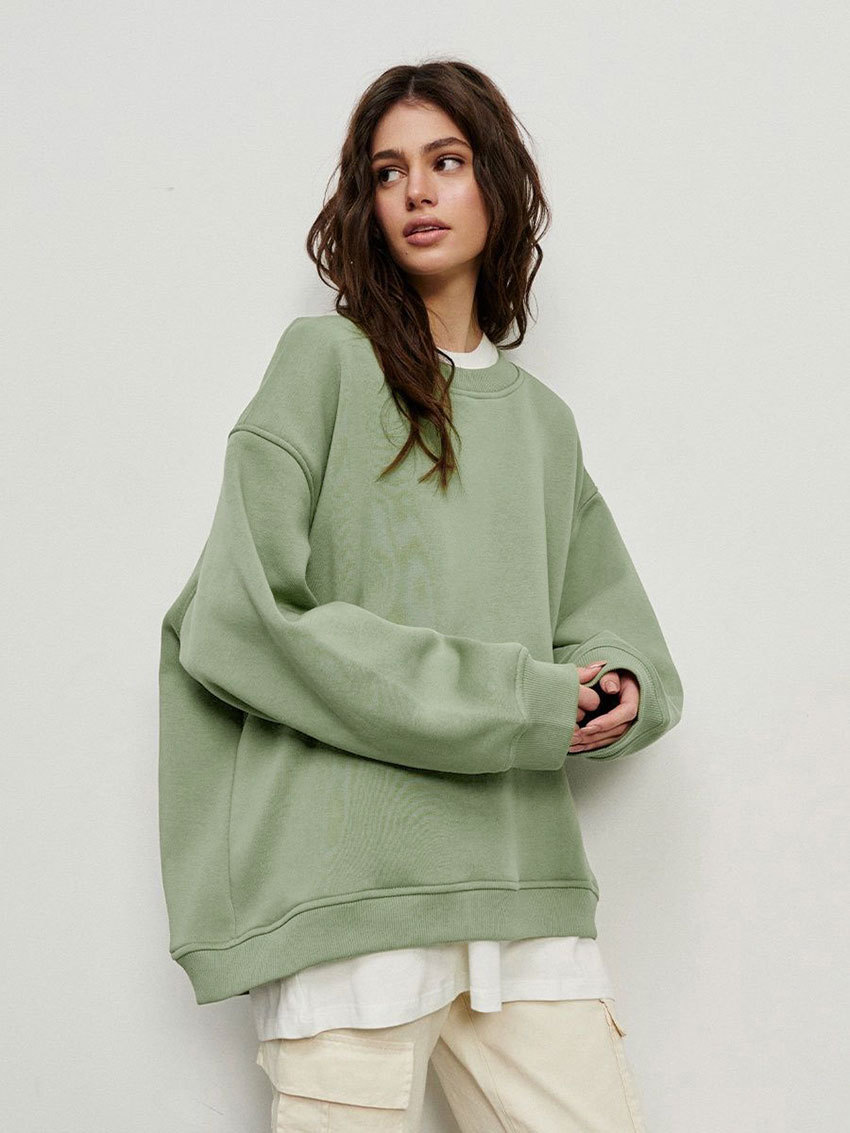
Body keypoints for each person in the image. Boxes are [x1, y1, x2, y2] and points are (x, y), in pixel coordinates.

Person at [158, 59, 684, 1132]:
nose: (416, 191)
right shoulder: (323, 364)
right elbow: (241, 618)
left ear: (497, 184)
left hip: (519, 885)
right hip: (353, 896)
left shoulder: (541, 425)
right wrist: (523, 701)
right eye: (388, 170)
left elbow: (610, 619)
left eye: (445, 161)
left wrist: (620, 684)